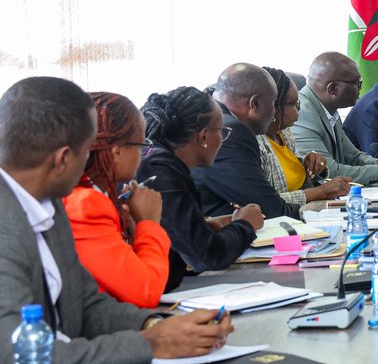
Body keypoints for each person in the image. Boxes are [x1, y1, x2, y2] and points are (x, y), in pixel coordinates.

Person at [0, 77, 236, 364]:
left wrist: (156, 325)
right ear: (62, 159)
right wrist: (150, 344)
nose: (92, 160)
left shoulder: (48, 204)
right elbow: (14, 359)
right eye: (88, 150)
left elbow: (85, 304)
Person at [140, 86, 265, 285]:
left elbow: (176, 237)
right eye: (222, 131)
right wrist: (246, 224)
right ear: (204, 136)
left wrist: (204, 227)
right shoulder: (162, 171)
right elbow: (206, 257)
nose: (223, 139)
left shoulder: (161, 162)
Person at [64, 92, 173, 308]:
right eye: (141, 146)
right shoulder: (87, 204)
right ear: (116, 152)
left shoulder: (94, 194)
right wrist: (148, 223)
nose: (142, 155)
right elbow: (146, 291)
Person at [192, 62, 305, 219]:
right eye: (273, 103)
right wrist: (316, 214)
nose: (274, 112)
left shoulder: (207, 115)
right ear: (255, 103)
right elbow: (272, 210)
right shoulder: (232, 132)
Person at [293, 52, 378, 182]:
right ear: (332, 89)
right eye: (358, 83)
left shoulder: (328, 110)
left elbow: (354, 157)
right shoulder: (303, 114)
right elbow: (329, 172)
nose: (361, 89)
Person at [258, 67, 350, 207]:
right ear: (273, 106)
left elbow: (296, 180)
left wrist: (309, 164)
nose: (299, 109)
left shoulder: (284, 133)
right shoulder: (257, 142)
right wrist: (320, 192)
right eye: (293, 104)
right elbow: (266, 201)